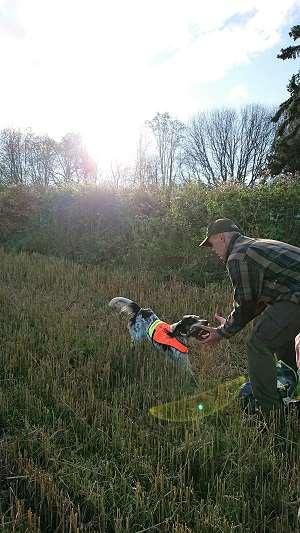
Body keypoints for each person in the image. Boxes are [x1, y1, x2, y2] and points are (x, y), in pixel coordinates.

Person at [198, 218, 300, 416]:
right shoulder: (254, 245)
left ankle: (271, 413)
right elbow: (256, 302)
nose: (212, 249)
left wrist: (221, 332)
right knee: (279, 337)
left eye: (211, 243)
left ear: (221, 237)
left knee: (258, 343)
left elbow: (245, 305)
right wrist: (229, 325)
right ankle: (288, 391)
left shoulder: (237, 256)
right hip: (293, 294)